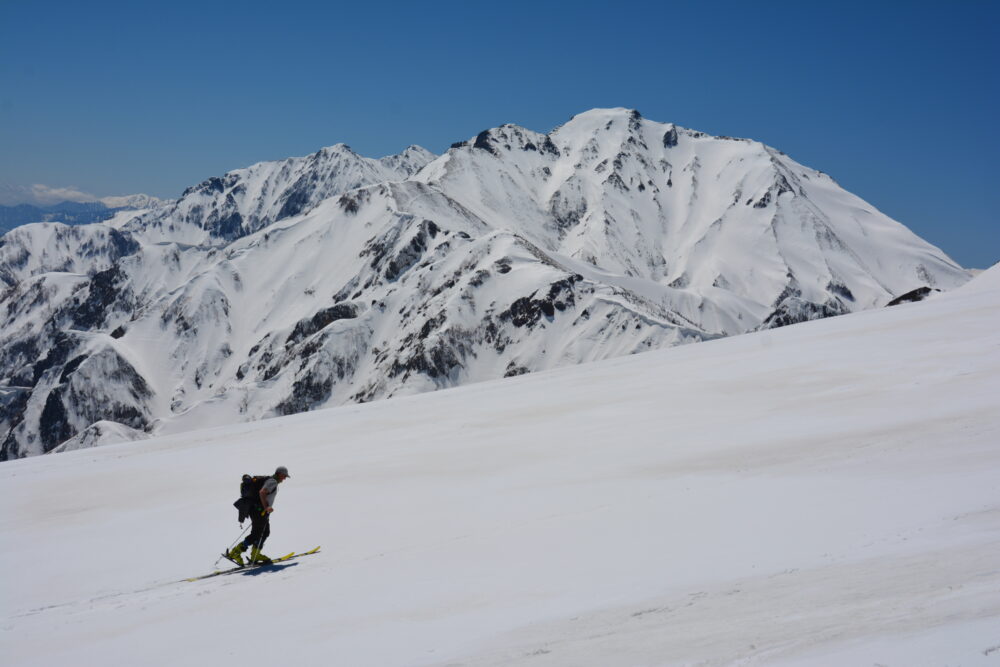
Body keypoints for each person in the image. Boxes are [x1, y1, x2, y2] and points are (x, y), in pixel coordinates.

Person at [228, 466, 290, 565]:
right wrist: (266, 507)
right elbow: (262, 492)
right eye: (284, 476)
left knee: (264, 532)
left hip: (257, 510)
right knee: (257, 534)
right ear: (279, 473)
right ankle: (236, 552)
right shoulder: (272, 481)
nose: (285, 478)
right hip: (259, 510)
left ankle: (255, 554)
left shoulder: (271, 480)